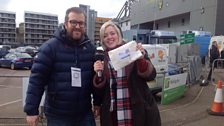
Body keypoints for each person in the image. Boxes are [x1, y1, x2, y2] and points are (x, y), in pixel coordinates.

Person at [24, 7, 100, 126]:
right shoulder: (50, 48)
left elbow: (94, 79)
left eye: (81, 23)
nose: (78, 26)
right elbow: (37, 81)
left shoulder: (90, 49)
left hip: (84, 114)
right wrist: (31, 111)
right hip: (58, 116)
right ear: (65, 23)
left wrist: (97, 102)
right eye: (73, 22)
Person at [93, 20, 161, 126]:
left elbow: (151, 76)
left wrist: (140, 59)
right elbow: (100, 92)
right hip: (113, 114)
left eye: (112, 33)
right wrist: (99, 74)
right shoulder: (102, 58)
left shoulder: (133, 50)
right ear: (102, 39)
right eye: (105, 35)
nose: (109, 37)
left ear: (118, 35)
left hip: (138, 112)